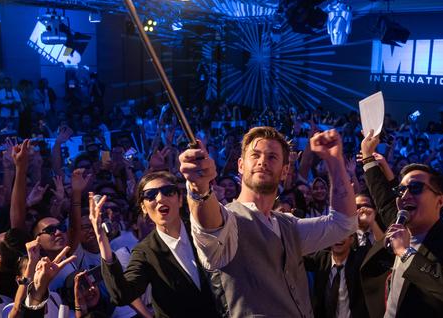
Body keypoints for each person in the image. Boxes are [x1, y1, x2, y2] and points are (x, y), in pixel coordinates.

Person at [178, 127, 357, 317]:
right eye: (255, 155)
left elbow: (343, 223)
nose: (262, 161)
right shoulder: (228, 222)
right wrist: (199, 187)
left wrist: (334, 160)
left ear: (285, 171)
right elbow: (210, 223)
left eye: (272, 157)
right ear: (240, 165)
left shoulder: (289, 226)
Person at [359, 130, 443, 318]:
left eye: (415, 188)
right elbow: (382, 195)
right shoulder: (399, 222)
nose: (405, 195)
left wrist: (406, 253)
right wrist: (368, 157)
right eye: (401, 190)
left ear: (440, 201)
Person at [95, 171, 220, 317]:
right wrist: (101, 239)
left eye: (168, 191)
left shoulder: (203, 230)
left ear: (180, 199)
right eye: (150, 194)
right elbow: (122, 295)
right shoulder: (145, 252)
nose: (160, 198)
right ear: (143, 207)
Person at [303, 234, 369, 318]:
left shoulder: (358, 259)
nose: (338, 238)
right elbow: (296, 257)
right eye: (335, 233)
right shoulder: (321, 258)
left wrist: (372, 223)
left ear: (351, 239)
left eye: (343, 233)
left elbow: (379, 252)